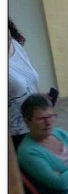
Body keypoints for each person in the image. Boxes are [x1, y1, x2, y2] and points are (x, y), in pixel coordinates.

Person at [9, 19, 40, 149]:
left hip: (35, 123)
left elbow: (29, 80)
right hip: (14, 133)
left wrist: (39, 98)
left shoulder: (16, 45)